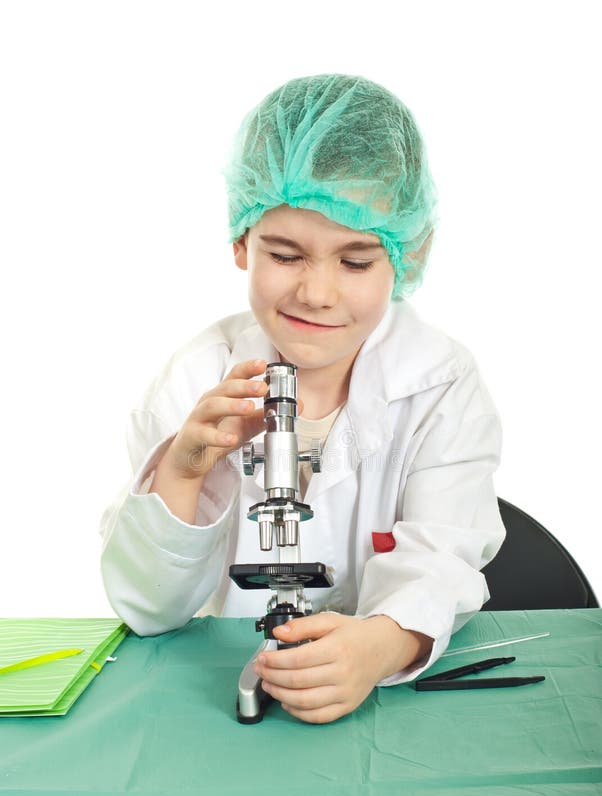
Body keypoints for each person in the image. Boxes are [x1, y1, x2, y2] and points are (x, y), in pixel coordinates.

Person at [99, 73, 506, 724]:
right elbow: (149, 608)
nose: (318, 293)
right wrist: (184, 466)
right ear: (241, 242)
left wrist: (383, 643)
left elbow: (442, 555)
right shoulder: (194, 377)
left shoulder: (440, 384)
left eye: (355, 262)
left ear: (404, 257)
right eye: (286, 253)